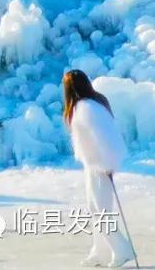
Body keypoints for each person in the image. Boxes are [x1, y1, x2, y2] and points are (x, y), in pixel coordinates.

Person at [63, 68, 135, 268]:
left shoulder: (85, 107)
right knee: (95, 208)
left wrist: (107, 164)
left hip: (100, 166)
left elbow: (104, 137)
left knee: (100, 210)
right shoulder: (93, 103)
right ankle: (100, 252)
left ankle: (122, 251)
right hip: (94, 164)